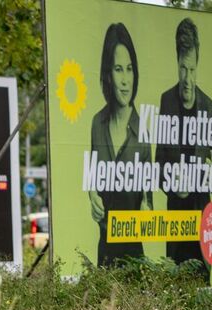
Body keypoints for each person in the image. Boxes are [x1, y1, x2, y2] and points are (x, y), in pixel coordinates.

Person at [155, 18, 212, 274]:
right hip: (176, 221)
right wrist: (171, 181)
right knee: (175, 286)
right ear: (177, 62)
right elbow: (157, 164)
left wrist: (210, 171)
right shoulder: (166, 101)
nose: (187, 78)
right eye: (183, 69)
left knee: (203, 285)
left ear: (198, 65)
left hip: (203, 218)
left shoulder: (209, 106)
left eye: (192, 70)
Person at [90, 23, 150, 267]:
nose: (125, 80)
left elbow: (148, 195)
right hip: (104, 250)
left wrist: (147, 208)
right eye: (118, 69)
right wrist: (91, 195)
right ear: (108, 74)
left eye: (129, 69)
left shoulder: (143, 128)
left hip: (134, 253)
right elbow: (93, 177)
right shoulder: (97, 123)